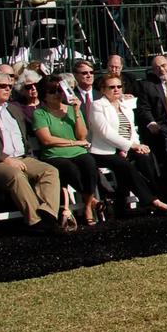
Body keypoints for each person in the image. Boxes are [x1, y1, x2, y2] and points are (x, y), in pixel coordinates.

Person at [0, 70, 64, 232]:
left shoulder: (13, 109)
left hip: (22, 157)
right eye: (2, 86)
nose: (7, 89)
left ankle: (48, 214)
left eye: (10, 86)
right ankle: (35, 222)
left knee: (50, 171)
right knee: (15, 175)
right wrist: (6, 159)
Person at [88, 72, 167, 214]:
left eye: (119, 86)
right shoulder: (97, 106)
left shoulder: (124, 105)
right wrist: (131, 146)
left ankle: (155, 195)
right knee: (124, 164)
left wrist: (137, 145)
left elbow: (131, 130)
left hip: (126, 146)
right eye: (111, 87)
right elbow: (105, 132)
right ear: (103, 89)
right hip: (105, 151)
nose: (116, 89)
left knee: (145, 158)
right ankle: (151, 201)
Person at [32, 78, 102, 226]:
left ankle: (88, 206)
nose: (57, 94)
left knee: (89, 163)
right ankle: (91, 200)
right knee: (69, 168)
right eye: (52, 91)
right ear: (44, 95)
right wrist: (74, 142)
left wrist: (76, 112)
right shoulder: (40, 113)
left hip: (77, 152)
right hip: (54, 154)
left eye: (59, 91)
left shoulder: (71, 109)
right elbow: (47, 140)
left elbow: (82, 135)